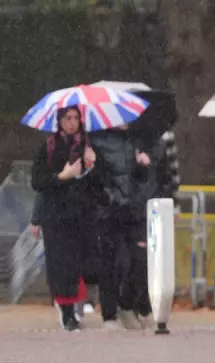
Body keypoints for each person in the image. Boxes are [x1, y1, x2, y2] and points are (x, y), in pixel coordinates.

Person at [31, 106, 106, 331]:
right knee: (62, 266)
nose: (72, 122)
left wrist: (93, 166)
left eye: (76, 118)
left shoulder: (89, 147)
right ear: (59, 121)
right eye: (67, 118)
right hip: (56, 216)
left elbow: (99, 185)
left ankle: (78, 303)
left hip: (83, 215)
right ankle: (67, 312)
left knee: (85, 264)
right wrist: (61, 176)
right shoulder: (49, 147)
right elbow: (38, 182)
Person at [92, 124, 153, 330]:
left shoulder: (134, 139)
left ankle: (127, 304)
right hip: (109, 212)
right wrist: (109, 197)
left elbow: (139, 180)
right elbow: (96, 180)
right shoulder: (95, 141)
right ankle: (109, 314)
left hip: (133, 210)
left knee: (140, 260)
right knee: (112, 264)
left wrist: (142, 166)